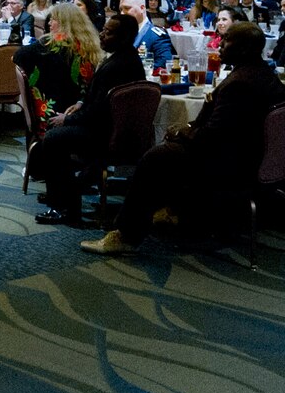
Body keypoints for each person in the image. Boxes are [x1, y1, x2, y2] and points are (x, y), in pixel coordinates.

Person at [81, 23, 285, 256]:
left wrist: (183, 133)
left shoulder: (239, 83)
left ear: (245, 48)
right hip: (256, 158)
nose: (219, 44)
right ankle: (173, 211)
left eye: (226, 40)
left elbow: (213, 137)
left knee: (155, 158)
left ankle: (127, 234)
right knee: (169, 151)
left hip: (233, 165)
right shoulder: (264, 74)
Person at [32, 14, 145, 225]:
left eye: (108, 32)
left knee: (54, 138)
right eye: (103, 30)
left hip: (105, 133)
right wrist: (80, 104)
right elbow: (100, 102)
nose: (101, 34)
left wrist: (67, 120)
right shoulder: (128, 58)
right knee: (56, 135)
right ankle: (64, 196)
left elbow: (98, 113)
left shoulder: (116, 66)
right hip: (113, 128)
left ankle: (62, 206)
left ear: (123, 38)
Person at [13, 2, 102, 139]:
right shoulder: (89, 45)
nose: (49, 23)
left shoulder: (50, 44)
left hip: (51, 115)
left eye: (53, 19)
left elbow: (17, 57)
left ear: (64, 23)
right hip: (82, 112)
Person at [121, 0, 174, 69]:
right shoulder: (121, 32)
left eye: (127, 8)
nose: (122, 13)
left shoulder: (156, 36)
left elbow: (164, 62)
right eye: (121, 9)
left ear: (142, 8)